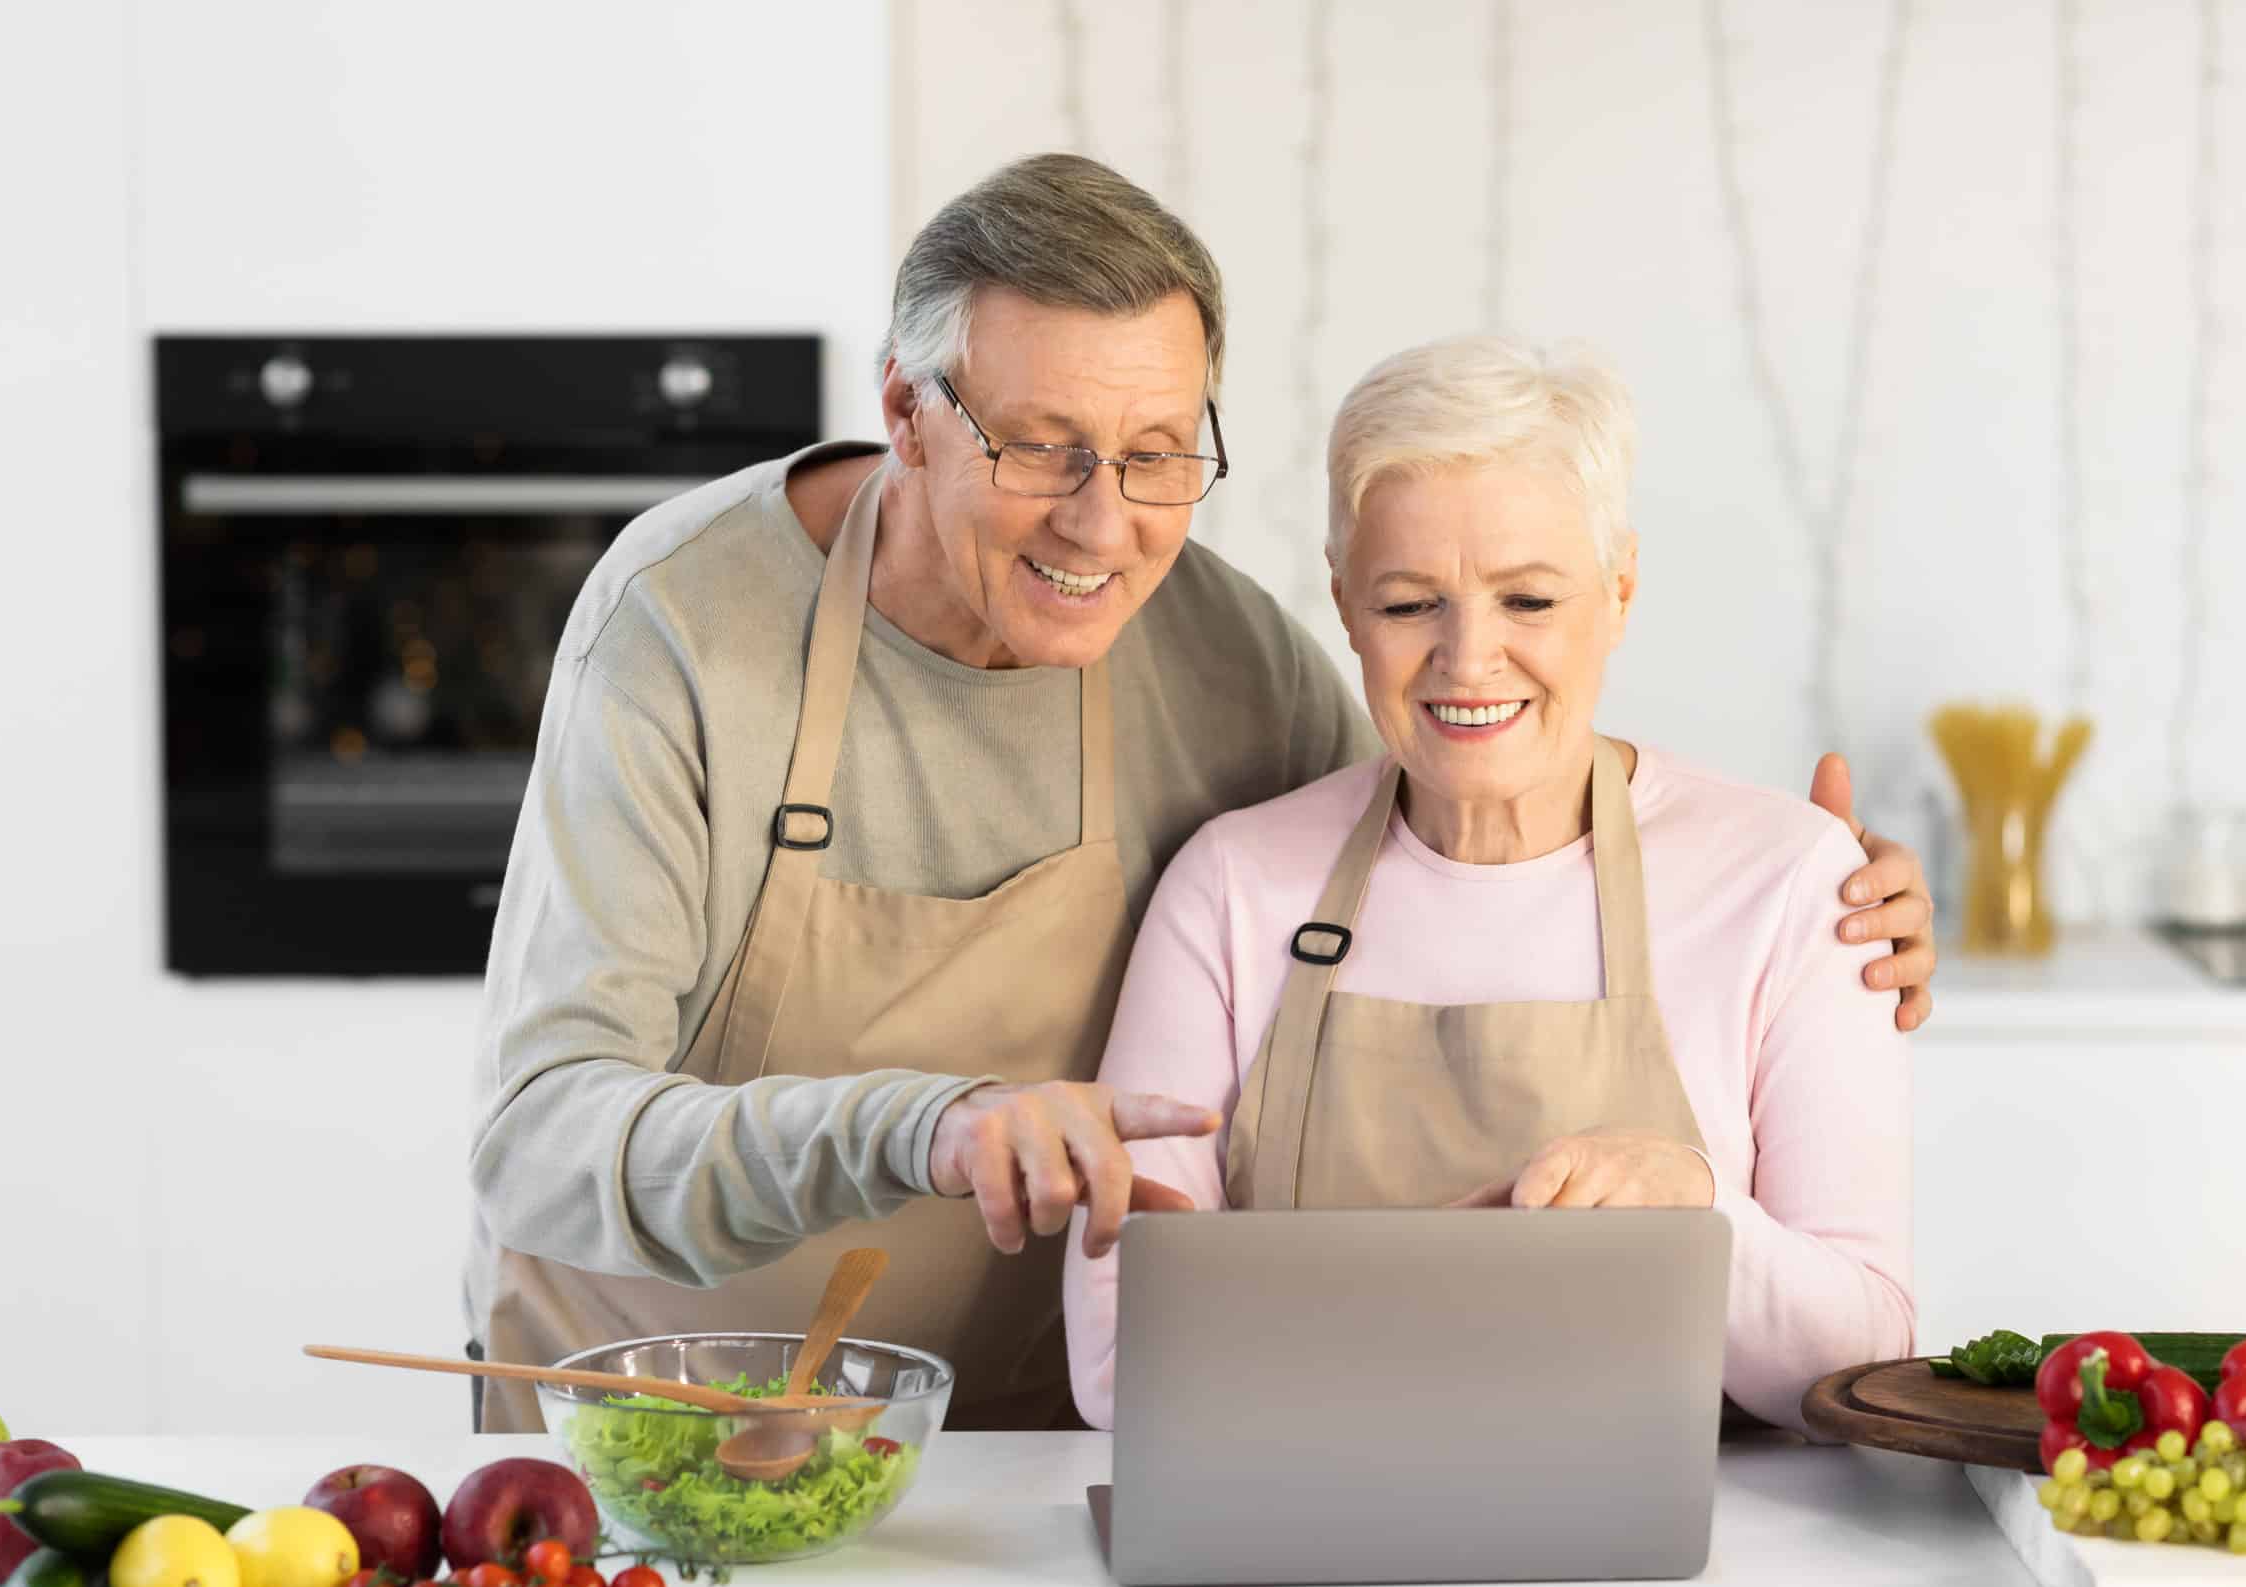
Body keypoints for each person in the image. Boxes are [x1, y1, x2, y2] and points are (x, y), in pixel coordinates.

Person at [465, 155, 1936, 1433]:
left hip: (1012, 1447)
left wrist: (1824, 897)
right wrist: (920, 1123)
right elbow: (540, 1132)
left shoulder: (1221, 651)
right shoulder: (685, 628)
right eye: (1043, 447)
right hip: (649, 1417)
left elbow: (1460, 793)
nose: (1105, 521)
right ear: (909, 412)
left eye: (1162, 453)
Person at [1064, 336, 1914, 1433]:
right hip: (1302, 1540)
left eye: (1527, 601)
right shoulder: (1231, 888)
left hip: (1707, 1565)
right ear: (1343, 604)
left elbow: (1867, 1364)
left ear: (1619, 592)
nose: (1468, 661)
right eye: (1410, 604)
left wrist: (1697, 1216)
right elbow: (1126, 1353)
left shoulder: (1790, 881)